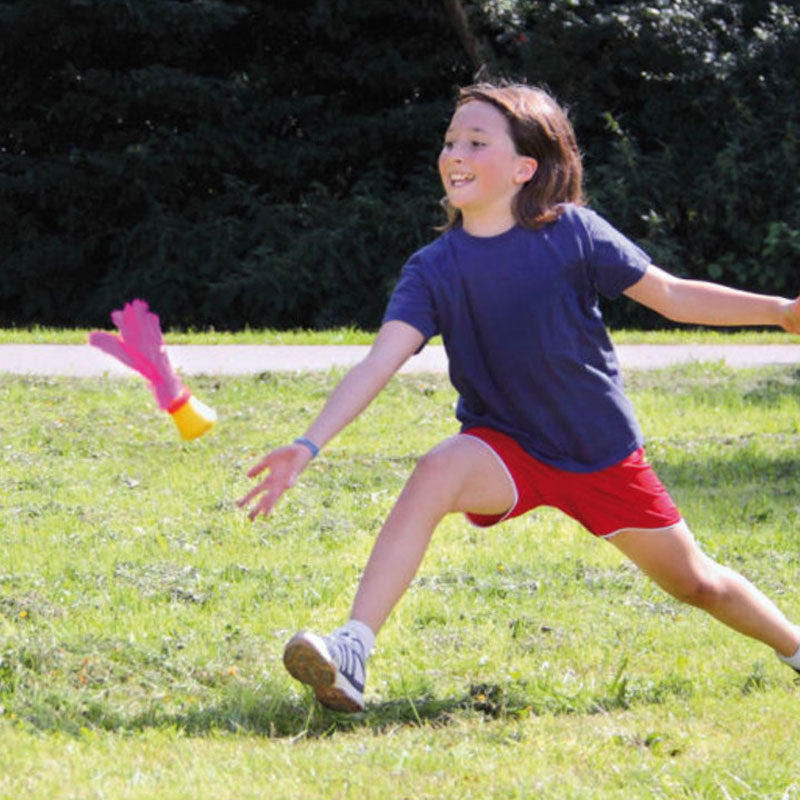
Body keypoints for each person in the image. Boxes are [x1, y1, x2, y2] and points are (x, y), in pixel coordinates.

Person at [238, 82, 800, 713]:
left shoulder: (574, 235)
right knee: (436, 470)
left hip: (600, 453)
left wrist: (782, 312)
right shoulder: (433, 268)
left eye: (477, 142)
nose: (456, 153)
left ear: (524, 168)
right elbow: (379, 362)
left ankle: (795, 647)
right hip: (506, 447)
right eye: (451, 140)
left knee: (697, 584)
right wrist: (307, 446)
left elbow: (670, 295)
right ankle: (352, 652)